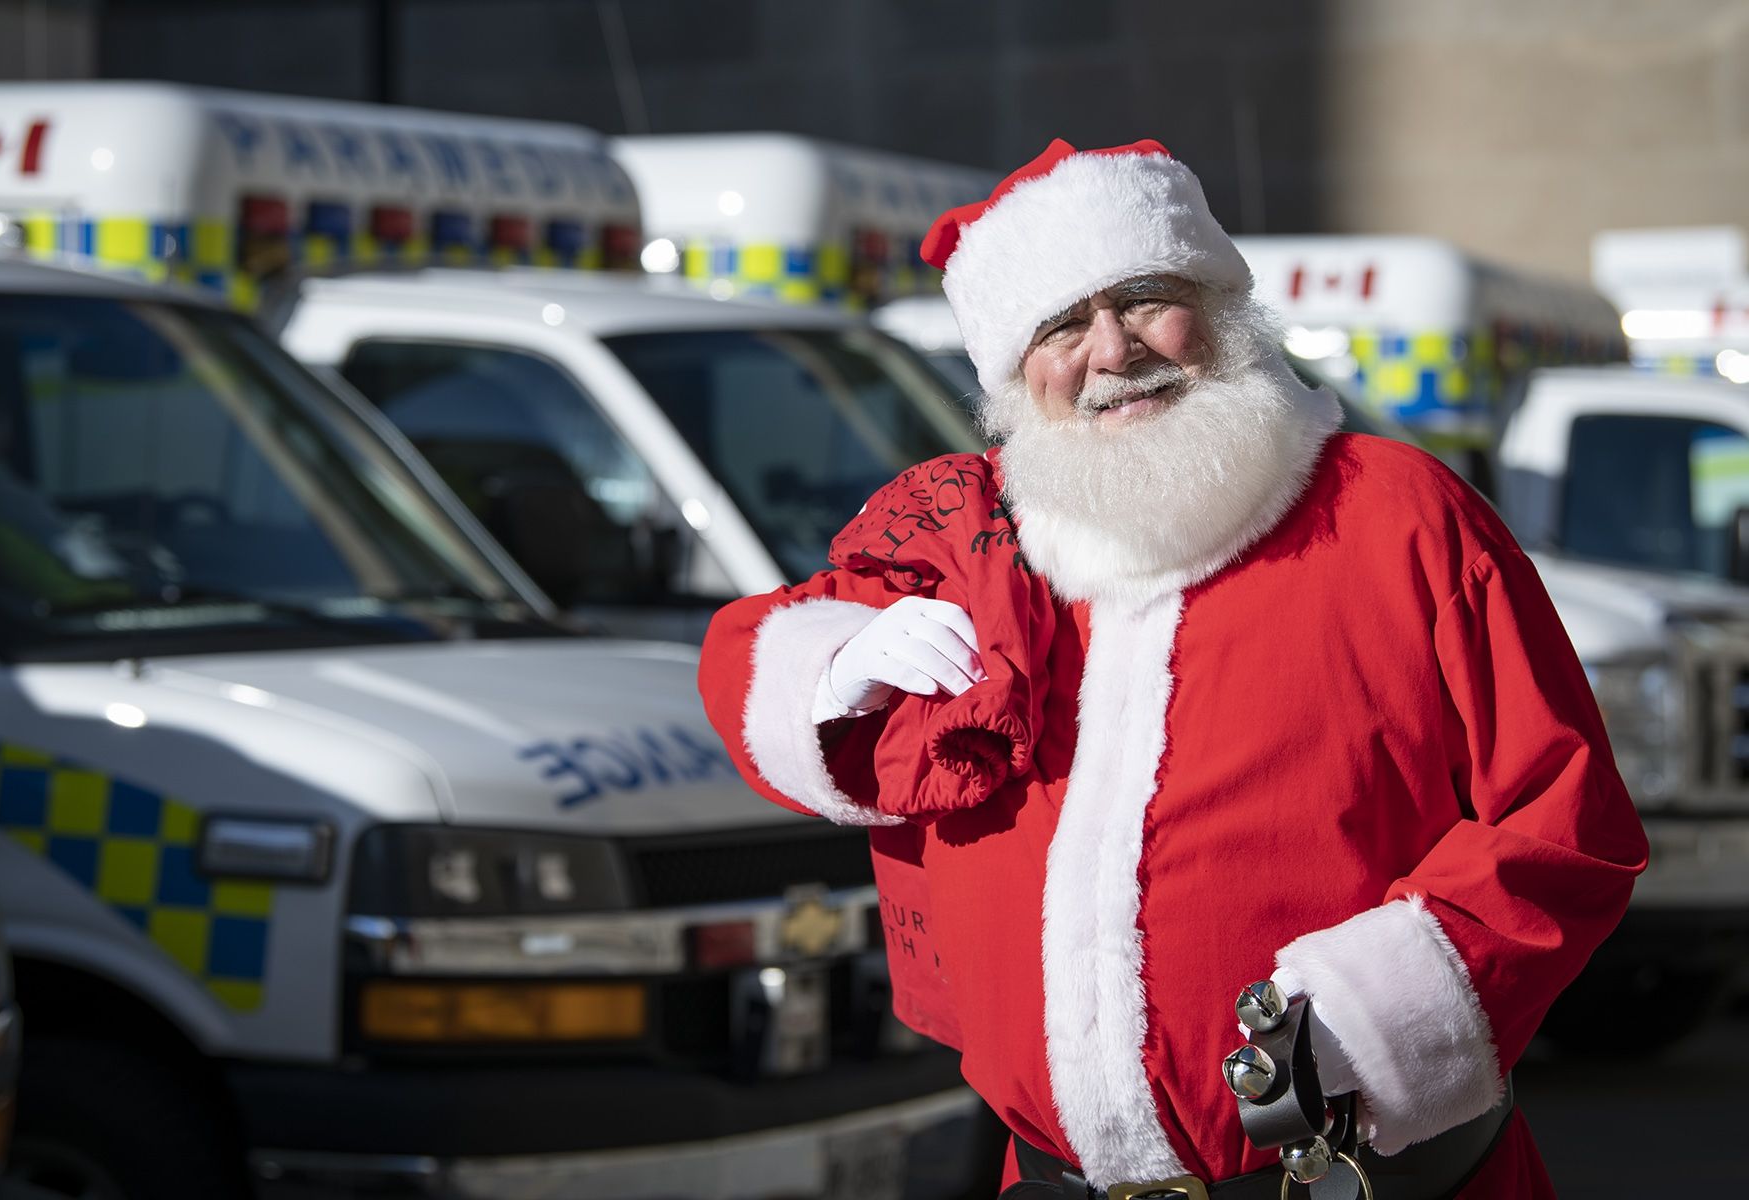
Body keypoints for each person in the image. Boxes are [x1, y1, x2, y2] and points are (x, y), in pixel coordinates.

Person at [697, 138, 1647, 1198]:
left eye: (1147, 299)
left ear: (1220, 304)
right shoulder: (966, 539)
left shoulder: (1401, 516)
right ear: (1015, 374)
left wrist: (1382, 1013)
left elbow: (1567, 821)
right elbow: (752, 667)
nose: (1112, 351)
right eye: (1061, 325)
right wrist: (832, 671)